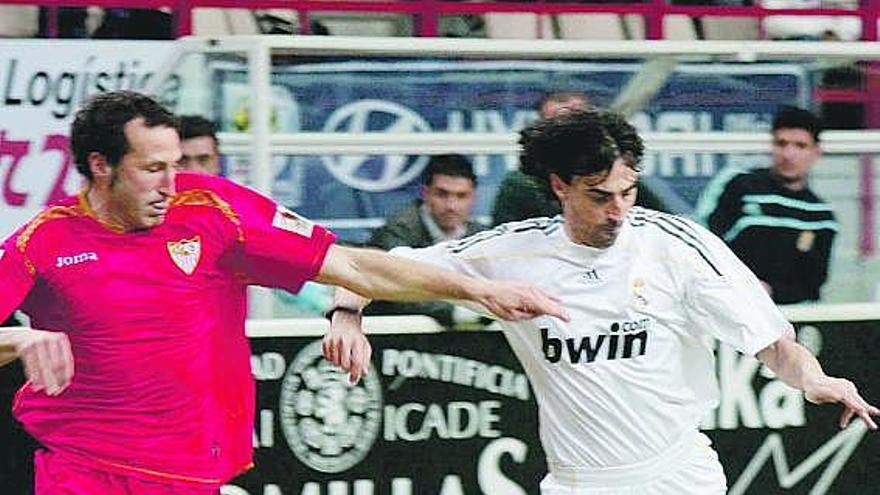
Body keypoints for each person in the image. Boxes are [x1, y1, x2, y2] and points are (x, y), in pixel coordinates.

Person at [0, 90, 568, 495]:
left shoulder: (212, 209)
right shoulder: (42, 241)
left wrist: (478, 290)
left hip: (191, 473)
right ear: (100, 166)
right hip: (79, 469)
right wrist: (23, 338)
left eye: (175, 165)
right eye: (152, 169)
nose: (172, 184)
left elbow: (352, 265)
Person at [326, 108, 878, 494]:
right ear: (560, 185)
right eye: (600, 196)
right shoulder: (508, 252)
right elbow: (366, 266)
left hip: (679, 475)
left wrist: (813, 378)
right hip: (578, 481)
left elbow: (772, 343)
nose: (619, 211)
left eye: (628, 192)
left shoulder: (676, 246)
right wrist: (347, 314)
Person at [696, 105, 837, 304]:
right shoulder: (739, 186)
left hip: (789, 318)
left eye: (800, 145)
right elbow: (702, 243)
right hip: (728, 307)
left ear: (816, 152)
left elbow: (812, 284)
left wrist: (770, 292)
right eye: (781, 143)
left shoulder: (821, 216)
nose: (789, 154)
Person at [491, 91, 666, 226]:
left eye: (578, 121)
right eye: (558, 122)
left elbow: (661, 218)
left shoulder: (618, 174)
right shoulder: (520, 183)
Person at [366, 154, 486, 326]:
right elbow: (396, 286)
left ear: (473, 197)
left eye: (461, 196)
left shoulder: (480, 235)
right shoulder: (397, 232)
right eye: (442, 194)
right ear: (425, 193)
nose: (451, 205)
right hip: (398, 340)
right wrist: (452, 312)